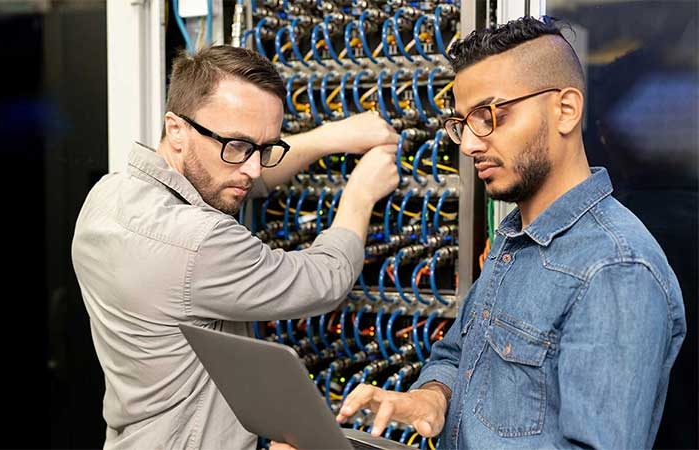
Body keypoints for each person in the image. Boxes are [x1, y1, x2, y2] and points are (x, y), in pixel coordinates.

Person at [275, 16, 686, 450]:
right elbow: (456, 357)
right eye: (462, 123)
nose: (469, 144)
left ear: (565, 110)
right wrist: (432, 397)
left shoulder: (614, 269)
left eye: (491, 116)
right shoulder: (515, 238)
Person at [71, 45, 399, 450]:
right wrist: (361, 194)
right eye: (238, 147)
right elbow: (324, 280)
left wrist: (332, 137)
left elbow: (235, 179)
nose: (254, 169)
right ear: (176, 130)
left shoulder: (107, 196)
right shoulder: (198, 242)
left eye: (265, 149)